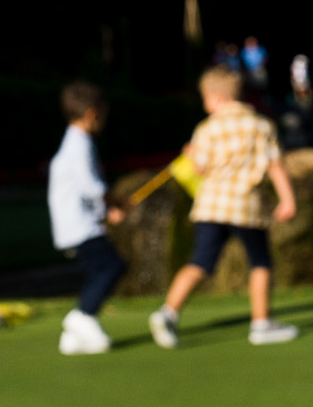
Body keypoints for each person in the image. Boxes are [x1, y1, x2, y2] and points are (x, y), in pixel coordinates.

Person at [148, 66, 299, 349]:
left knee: (200, 262)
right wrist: (287, 199)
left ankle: (167, 312)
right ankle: (261, 323)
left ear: (216, 97)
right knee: (260, 262)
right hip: (246, 206)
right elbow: (275, 165)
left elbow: (201, 168)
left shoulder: (207, 128)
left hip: (211, 206)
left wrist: (191, 156)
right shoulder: (262, 125)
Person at [49, 80, 127, 355]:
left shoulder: (75, 141)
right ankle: (81, 316)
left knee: (99, 270)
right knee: (112, 267)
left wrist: (107, 211)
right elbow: (91, 186)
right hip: (79, 226)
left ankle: (74, 339)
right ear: (92, 113)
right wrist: (114, 202)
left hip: (77, 223)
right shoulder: (79, 143)